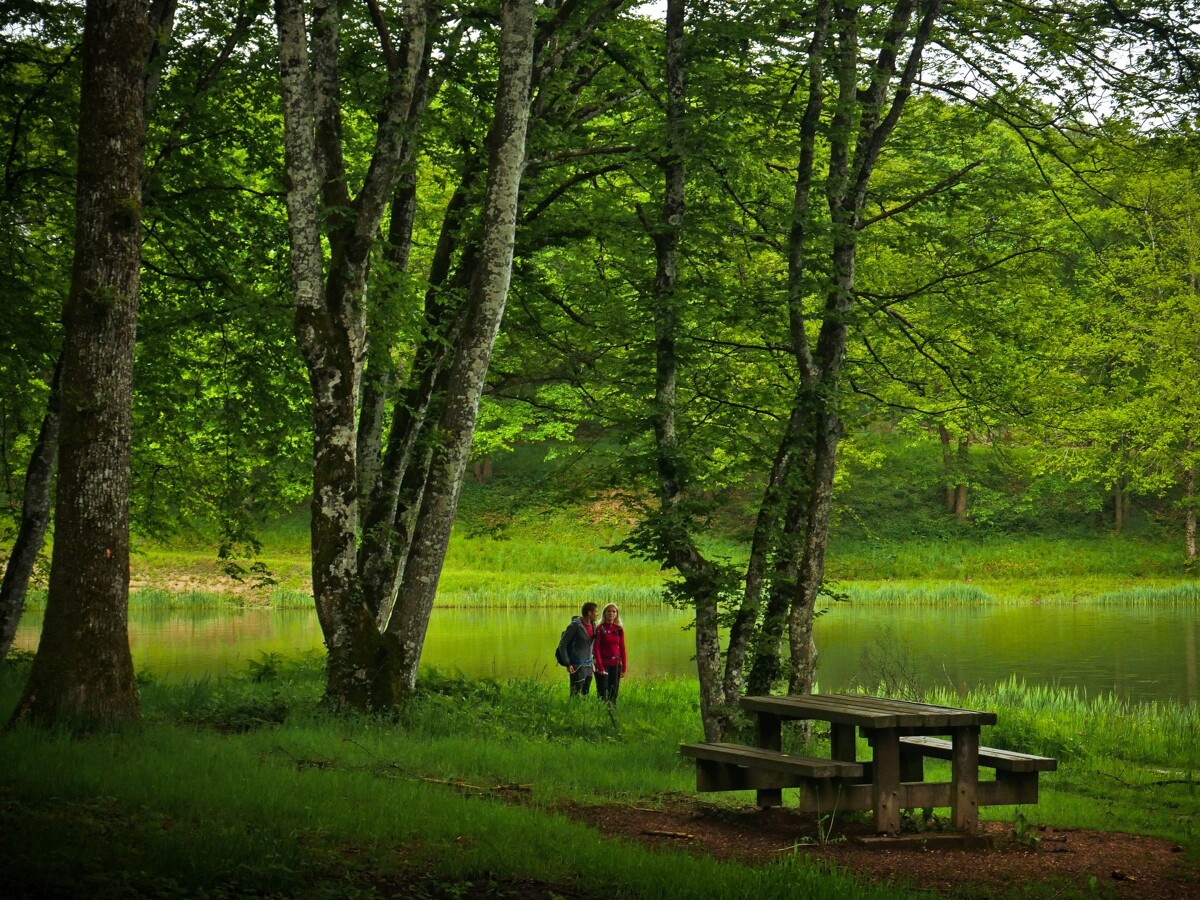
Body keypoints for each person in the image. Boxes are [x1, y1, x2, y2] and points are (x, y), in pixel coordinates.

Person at [558, 601, 598, 696]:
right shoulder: (574, 626)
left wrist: (592, 662)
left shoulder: (593, 625)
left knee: (585, 694)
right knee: (575, 695)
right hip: (577, 666)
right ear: (589, 613)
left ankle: (584, 707)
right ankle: (572, 706)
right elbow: (562, 645)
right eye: (596, 611)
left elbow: (591, 646)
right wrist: (568, 664)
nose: (597, 614)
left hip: (589, 666)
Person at [593, 603, 627, 705]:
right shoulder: (600, 628)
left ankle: (613, 710)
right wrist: (600, 666)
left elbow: (622, 648)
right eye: (609, 611)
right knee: (602, 691)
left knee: (614, 690)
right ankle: (601, 710)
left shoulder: (619, 629)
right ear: (604, 613)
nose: (611, 613)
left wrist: (624, 668)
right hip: (603, 664)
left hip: (616, 664)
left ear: (617, 614)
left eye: (614, 611)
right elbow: (596, 648)